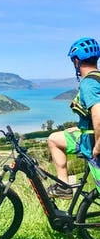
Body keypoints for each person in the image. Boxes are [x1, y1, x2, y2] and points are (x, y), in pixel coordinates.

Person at [47, 37, 100, 199]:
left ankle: (64, 187)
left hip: (92, 141)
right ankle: (63, 186)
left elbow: (98, 115)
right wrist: (79, 127)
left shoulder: (89, 84)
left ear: (76, 61)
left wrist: (98, 145)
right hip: (86, 134)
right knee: (54, 139)